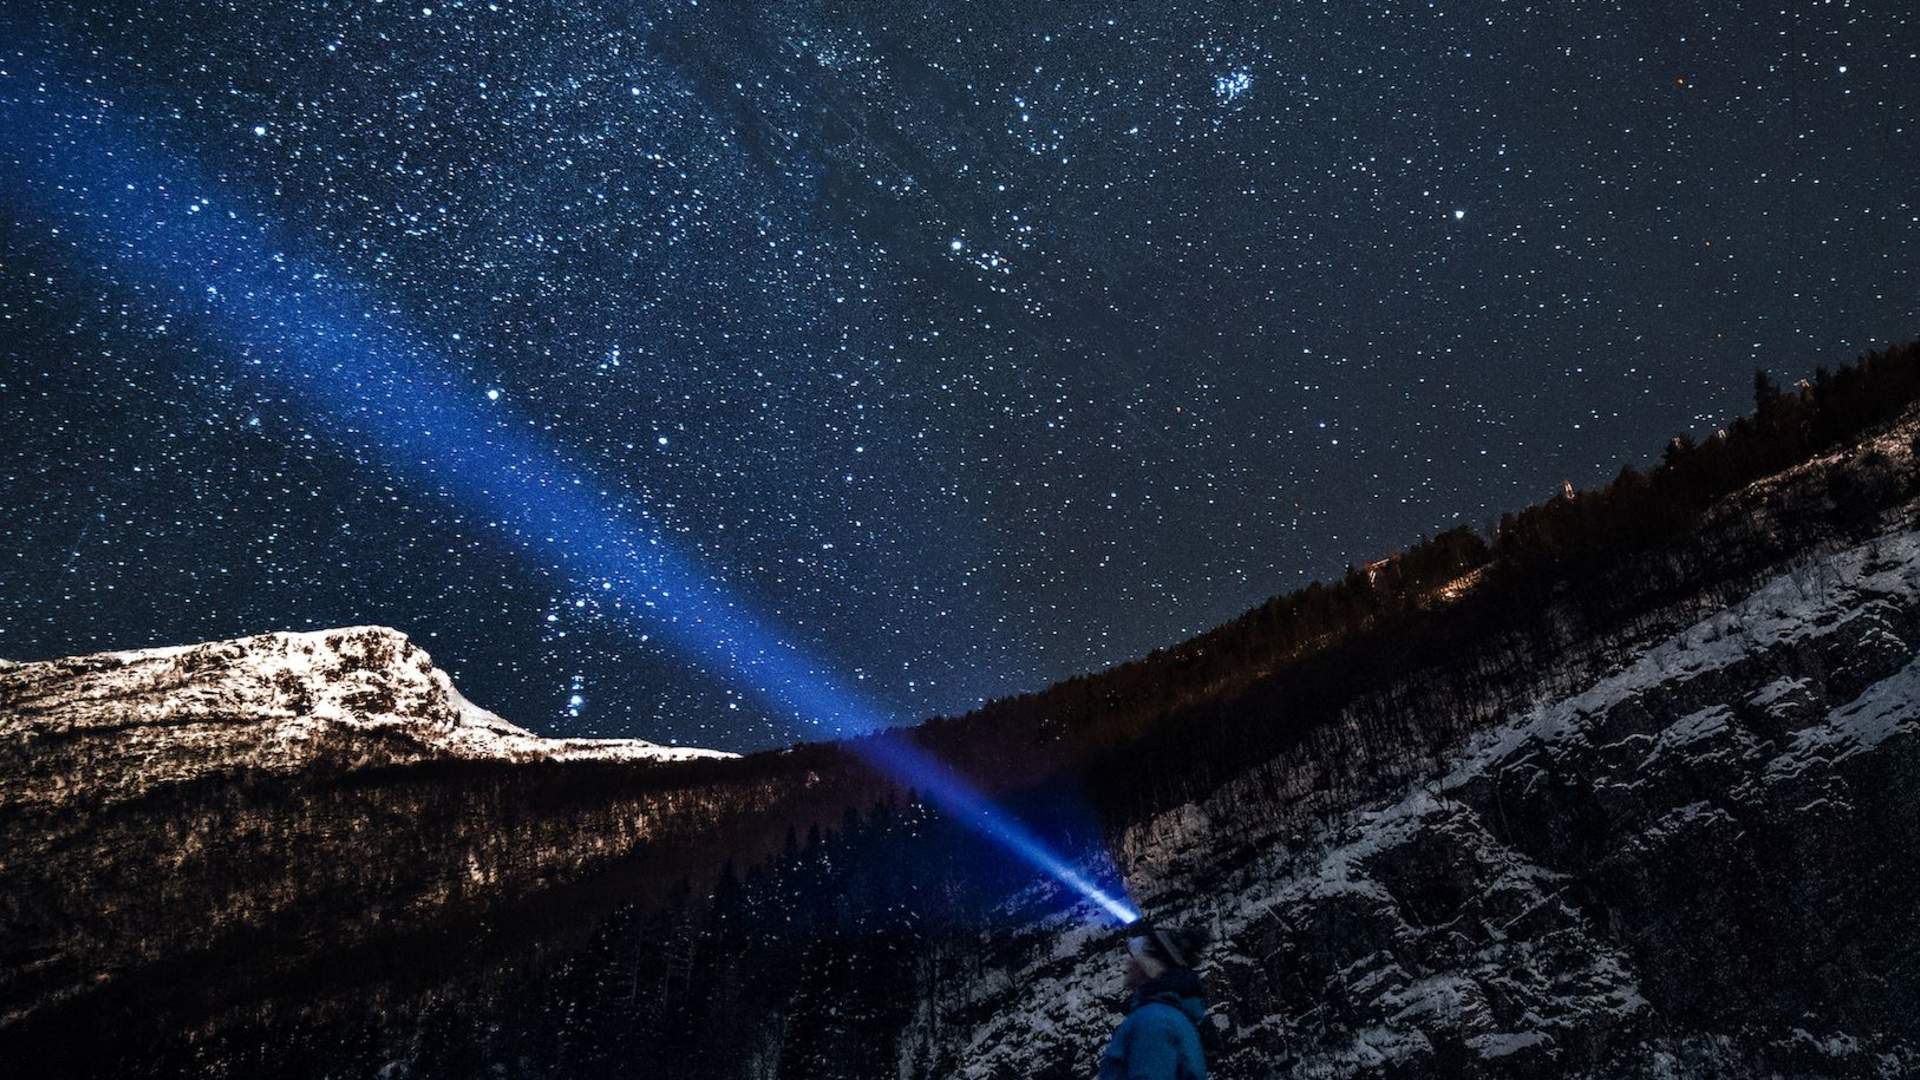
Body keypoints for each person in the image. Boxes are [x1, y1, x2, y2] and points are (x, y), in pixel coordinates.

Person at [1097, 922, 1211, 1080]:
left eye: (1133, 956)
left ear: (1149, 966)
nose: (1126, 960)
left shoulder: (1153, 1020)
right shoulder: (1173, 1017)